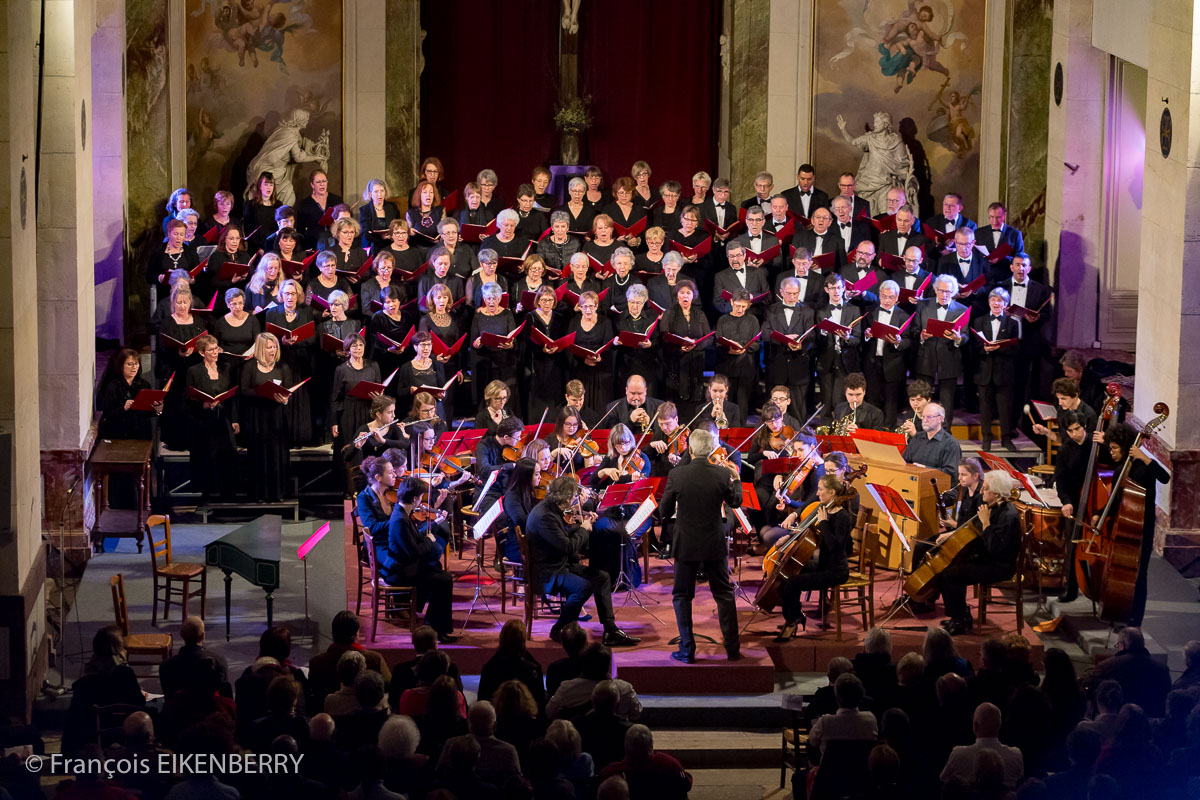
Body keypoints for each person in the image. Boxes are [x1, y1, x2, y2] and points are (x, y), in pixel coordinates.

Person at [659, 428, 744, 663]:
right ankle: (733, 650)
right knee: (724, 595)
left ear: (690, 448)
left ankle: (687, 650)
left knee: (682, 596)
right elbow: (736, 501)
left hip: (686, 543)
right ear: (710, 450)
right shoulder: (720, 474)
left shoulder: (677, 475)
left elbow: (663, 512)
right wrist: (736, 479)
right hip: (713, 542)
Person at [525, 475, 640, 647]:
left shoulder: (551, 508)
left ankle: (610, 630)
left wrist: (580, 525)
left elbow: (562, 534)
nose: (575, 500)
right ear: (565, 498)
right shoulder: (544, 516)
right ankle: (559, 629)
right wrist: (584, 529)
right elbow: (568, 547)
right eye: (573, 497)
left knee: (602, 578)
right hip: (548, 572)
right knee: (583, 587)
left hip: (558, 564)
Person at [1091, 422, 1171, 627]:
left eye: (1115, 448)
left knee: (1139, 574)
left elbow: (1165, 477)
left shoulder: (1144, 467)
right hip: (1124, 526)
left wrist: (1145, 458)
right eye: (1110, 448)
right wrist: (1100, 515)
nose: (1112, 452)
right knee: (1121, 573)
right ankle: (1119, 612)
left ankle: (1136, 621)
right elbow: (1116, 499)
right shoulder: (1120, 471)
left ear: (1127, 447)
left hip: (1142, 527)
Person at [939, 471, 1023, 635]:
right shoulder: (994, 507)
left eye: (985, 489)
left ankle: (959, 620)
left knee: (950, 574)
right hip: (989, 559)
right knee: (953, 566)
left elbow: (996, 548)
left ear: (996, 493)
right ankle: (962, 615)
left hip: (1000, 566)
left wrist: (985, 523)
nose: (982, 492)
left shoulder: (1008, 515)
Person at [774, 473, 855, 641]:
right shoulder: (823, 509)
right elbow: (805, 530)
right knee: (785, 573)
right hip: (823, 564)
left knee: (792, 583)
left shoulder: (842, 517)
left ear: (832, 493)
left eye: (820, 490)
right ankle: (795, 616)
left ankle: (792, 622)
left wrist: (824, 523)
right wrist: (788, 537)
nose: (817, 494)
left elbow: (836, 547)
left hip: (835, 570)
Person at [383, 477, 457, 643]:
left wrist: (432, 528)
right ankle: (436, 628)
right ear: (414, 498)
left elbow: (412, 542)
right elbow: (415, 552)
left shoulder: (401, 512)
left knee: (441, 574)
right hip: (401, 572)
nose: (422, 501)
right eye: (421, 497)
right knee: (443, 581)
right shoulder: (400, 519)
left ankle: (435, 626)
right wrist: (429, 540)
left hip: (406, 566)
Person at [63, 627, 146, 755]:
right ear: (118, 647)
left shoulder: (89, 675)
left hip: (93, 730)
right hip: (120, 726)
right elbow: (139, 702)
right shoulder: (124, 673)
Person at [185, 334, 240, 502]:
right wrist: (202, 405)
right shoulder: (194, 371)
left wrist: (235, 419)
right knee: (207, 456)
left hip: (223, 418)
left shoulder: (226, 368)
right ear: (202, 353)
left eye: (216, 349)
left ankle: (228, 494)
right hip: (204, 420)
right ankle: (208, 494)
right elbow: (188, 398)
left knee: (228, 454)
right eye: (211, 350)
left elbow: (233, 397)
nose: (215, 353)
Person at [240, 333, 292, 502]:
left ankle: (276, 494)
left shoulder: (282, 367)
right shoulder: (250, 366)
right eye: (269, 347)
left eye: (275, 346)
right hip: (257, 416)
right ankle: (258, 494)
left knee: (276, 455)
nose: (272, 350)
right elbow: (244, 390)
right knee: (258, 455)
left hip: (276, 416)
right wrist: (262, 392)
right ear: (261, 348)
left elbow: (288, 389)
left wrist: (285, 398)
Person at [912, 273, 970, 423]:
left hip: (949, 359)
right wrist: (922, 337)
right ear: (935, 289)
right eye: (942, 290)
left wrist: (958, 339)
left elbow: (965, 336)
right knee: (922, 398)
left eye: (949, 291)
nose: (945, 295)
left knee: (947, 401)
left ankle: (945, 434)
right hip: (926, 358)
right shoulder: (923, 305)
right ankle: (921, 431)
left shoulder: (962, 309)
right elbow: (914, 330)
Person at [1081, 627, 1171, 718]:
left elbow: (1087, 683)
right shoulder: (1162, 669)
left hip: (1117, 721)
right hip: (1149, 723)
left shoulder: (1109, 666)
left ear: (1121, 645)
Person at [974, 287, 1020, 450]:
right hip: (984, 372)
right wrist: (984, 349)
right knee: (985, 408)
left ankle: (1006, 439)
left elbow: (1016, 349)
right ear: (989, 302)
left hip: (1004, 373)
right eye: (993, 300)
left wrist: (998, 348)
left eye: (1000, 300)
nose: (996, 303)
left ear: (1005, 304)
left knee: (1005, 408)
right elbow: (974, 346)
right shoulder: (979, 321)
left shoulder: (1013, 323)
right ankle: (986, 438)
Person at [861, 280, 913, 424]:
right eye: (884, 296)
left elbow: (909, 341)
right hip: (872, 362)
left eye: (891, 297)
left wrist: (898, 342)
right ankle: (871, 433)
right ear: (879, 295)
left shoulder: (903, 316)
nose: (887, 300)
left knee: (891, 402)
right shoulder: (870, 313)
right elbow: (860, 336)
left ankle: (889, 431)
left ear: (897, 298)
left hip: (893, 364)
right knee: (872, 399)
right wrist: (866, 335)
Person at [940, 702, 1024, 790]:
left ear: (975, 726)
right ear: (999, 725)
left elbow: (943, 780)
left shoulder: (958, 754)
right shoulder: (1015, 755)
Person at [814, 273, 863, 421]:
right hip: (826, 360)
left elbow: (857, 339)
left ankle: (840, 431)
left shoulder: (853, 310)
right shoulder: (820, 311)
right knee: (826, 400)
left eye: (839, 288)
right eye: (833, 288)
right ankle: (824, 432)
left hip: (845, 361)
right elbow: (817, 342)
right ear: (826, 289)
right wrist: (822, 332)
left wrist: (848, 338)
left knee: (839, 400)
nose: (836, 291)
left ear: (844, 289)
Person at [598, 725, 693, 799]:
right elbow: (686, 783)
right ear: (651, 746)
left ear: (625, 747)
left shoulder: (612, 773)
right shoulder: (670, 764)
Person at [476, 620, 546, 710]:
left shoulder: (489, 668)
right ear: (523, 640)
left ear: (502, 638)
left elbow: (483, 700)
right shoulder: (533, 669)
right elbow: (540, 701)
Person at [808, 674, 878, 757]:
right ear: (861, 695)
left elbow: (812, 742)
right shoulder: (870, 720)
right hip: (860, 769)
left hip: (830, 769)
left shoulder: (825, 722)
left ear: (837, 697)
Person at [902, 402, 961, 480]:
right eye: (923, 417)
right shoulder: (917, 438)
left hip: (940, 489)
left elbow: (951, 473)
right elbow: (905, 462)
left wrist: (926, 470)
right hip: (915, 484)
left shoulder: (951, 443)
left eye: (929, 417)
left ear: (940, 419)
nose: (925, 420)